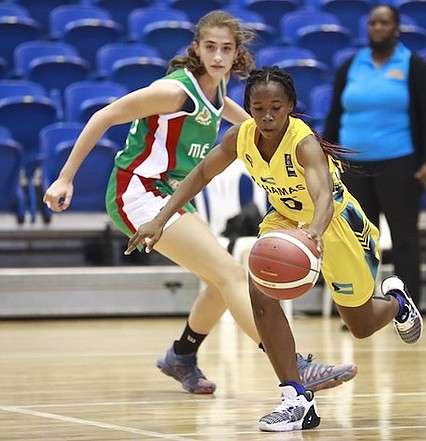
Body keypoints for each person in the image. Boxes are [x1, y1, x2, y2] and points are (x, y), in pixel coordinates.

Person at [42, 11, 356, 396]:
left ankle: (181, 355)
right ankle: (294, 366)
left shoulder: (218, 94)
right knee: (231, 274)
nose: (218, 56)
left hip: (170, 194)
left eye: (226, 48)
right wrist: (65, 176)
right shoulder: (175, 92)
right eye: (210, 47)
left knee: (217, 283)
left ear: (237, 52)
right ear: (197, 48)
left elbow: (258, 135)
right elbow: (104, 116)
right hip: (137, 191)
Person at [125, 66, 424, 432]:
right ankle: (296, 398)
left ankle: (396, 303)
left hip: (335, 226)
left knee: (360, 326)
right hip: (284, 219)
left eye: (276, 108)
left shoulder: (304, 144)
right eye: (258, 107)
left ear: (291, 107)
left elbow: (323, 197)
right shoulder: (241, 137)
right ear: (249, 107)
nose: (266, 116)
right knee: (259, 291)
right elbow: (201, 173)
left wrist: (313, 233)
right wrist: (159, 217)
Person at [323, 4, 426, 307]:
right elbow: (335, 113)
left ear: (396, 28)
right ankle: (360, 306)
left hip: (399, 164)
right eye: (373, 23)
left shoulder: (414, 65)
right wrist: (326, 155)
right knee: (356, 239)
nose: (378, 28)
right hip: (352, 166)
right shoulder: (351, 65)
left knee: (403, 238)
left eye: (384, 23)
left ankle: (408, 304)